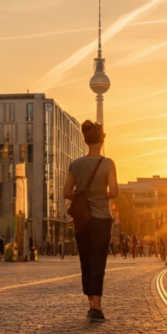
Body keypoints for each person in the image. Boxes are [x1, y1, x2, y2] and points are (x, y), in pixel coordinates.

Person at [63, 120, 118, 322]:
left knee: (85, 261)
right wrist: (99, 193)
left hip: (82, 220)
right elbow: (114, 192)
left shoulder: (75, 165)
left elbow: (66, 192)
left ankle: (90, 305)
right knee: (98, 263)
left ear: (86, 141)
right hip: (102, 219)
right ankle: (98, 306)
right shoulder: (108, 164)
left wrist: (81, 194)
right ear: (101, 141)